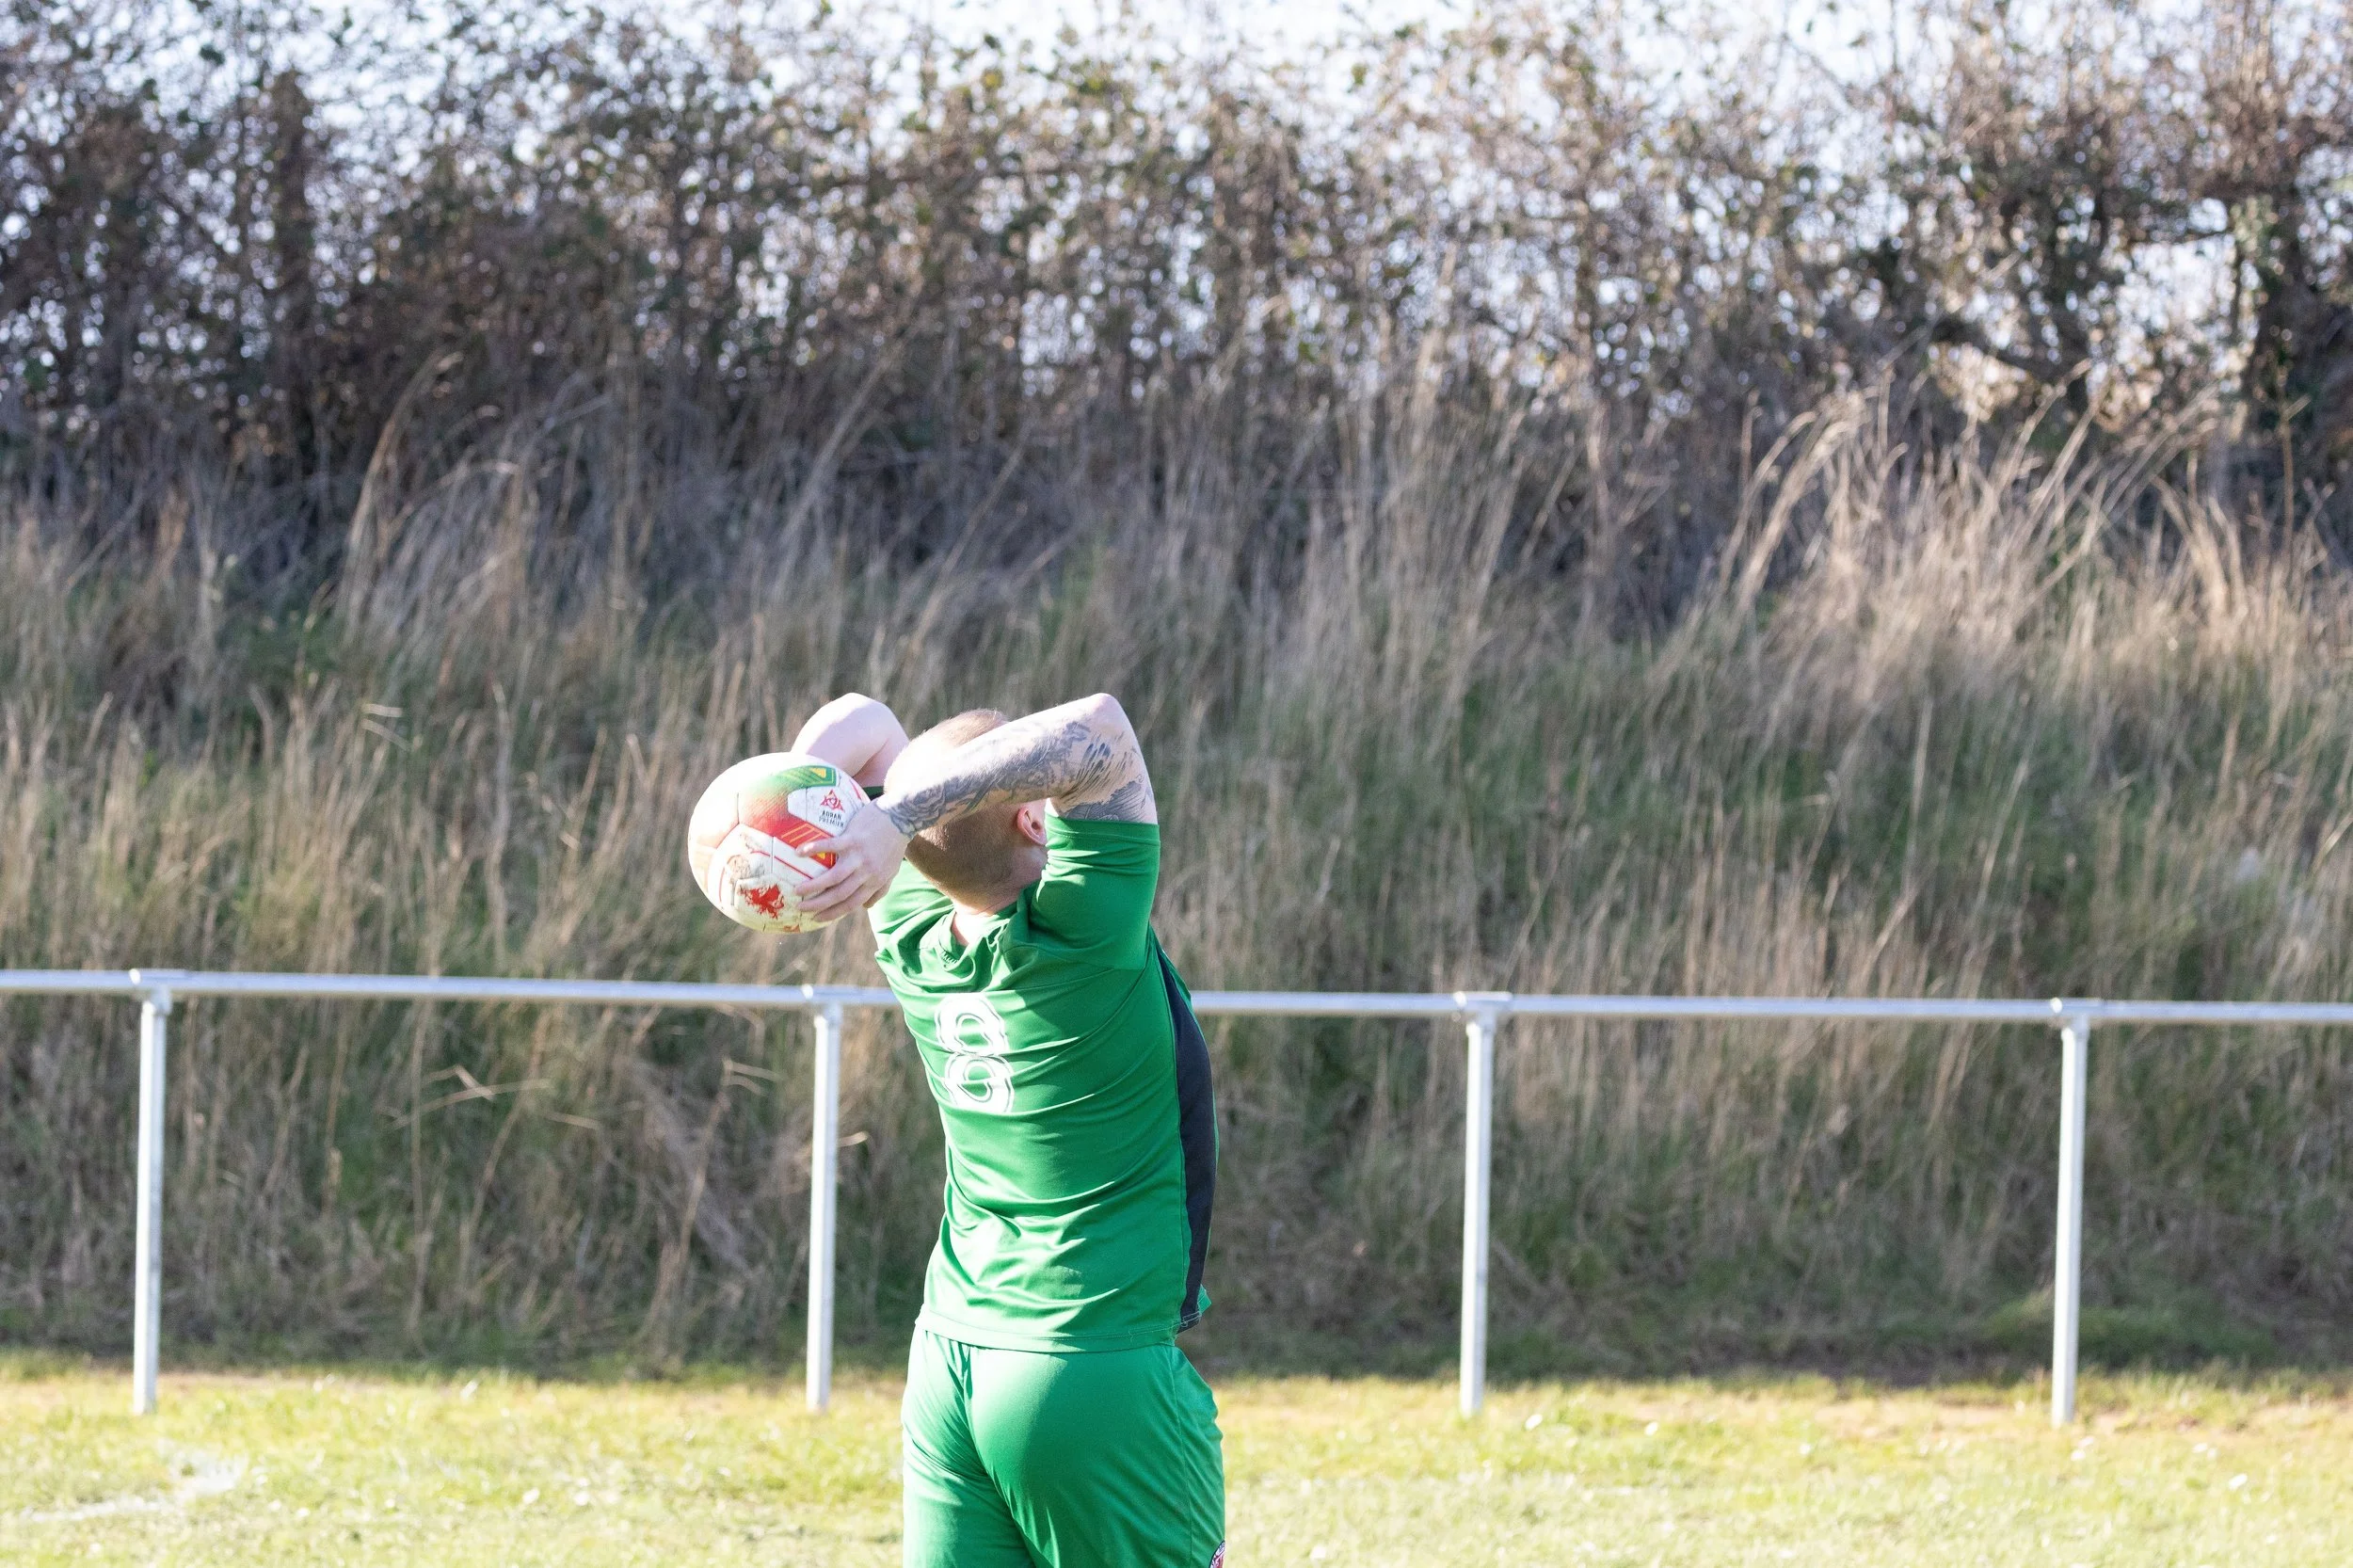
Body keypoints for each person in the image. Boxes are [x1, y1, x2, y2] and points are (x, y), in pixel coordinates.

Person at [789, 691, 1225, 1568]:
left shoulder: (912, 926)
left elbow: (864, 725)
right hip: (1090, 1366)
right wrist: (898, 813)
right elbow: (1099, 728)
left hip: (952, 1358)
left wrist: (804, 810)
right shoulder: (1088, 929)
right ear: (1034, 816)